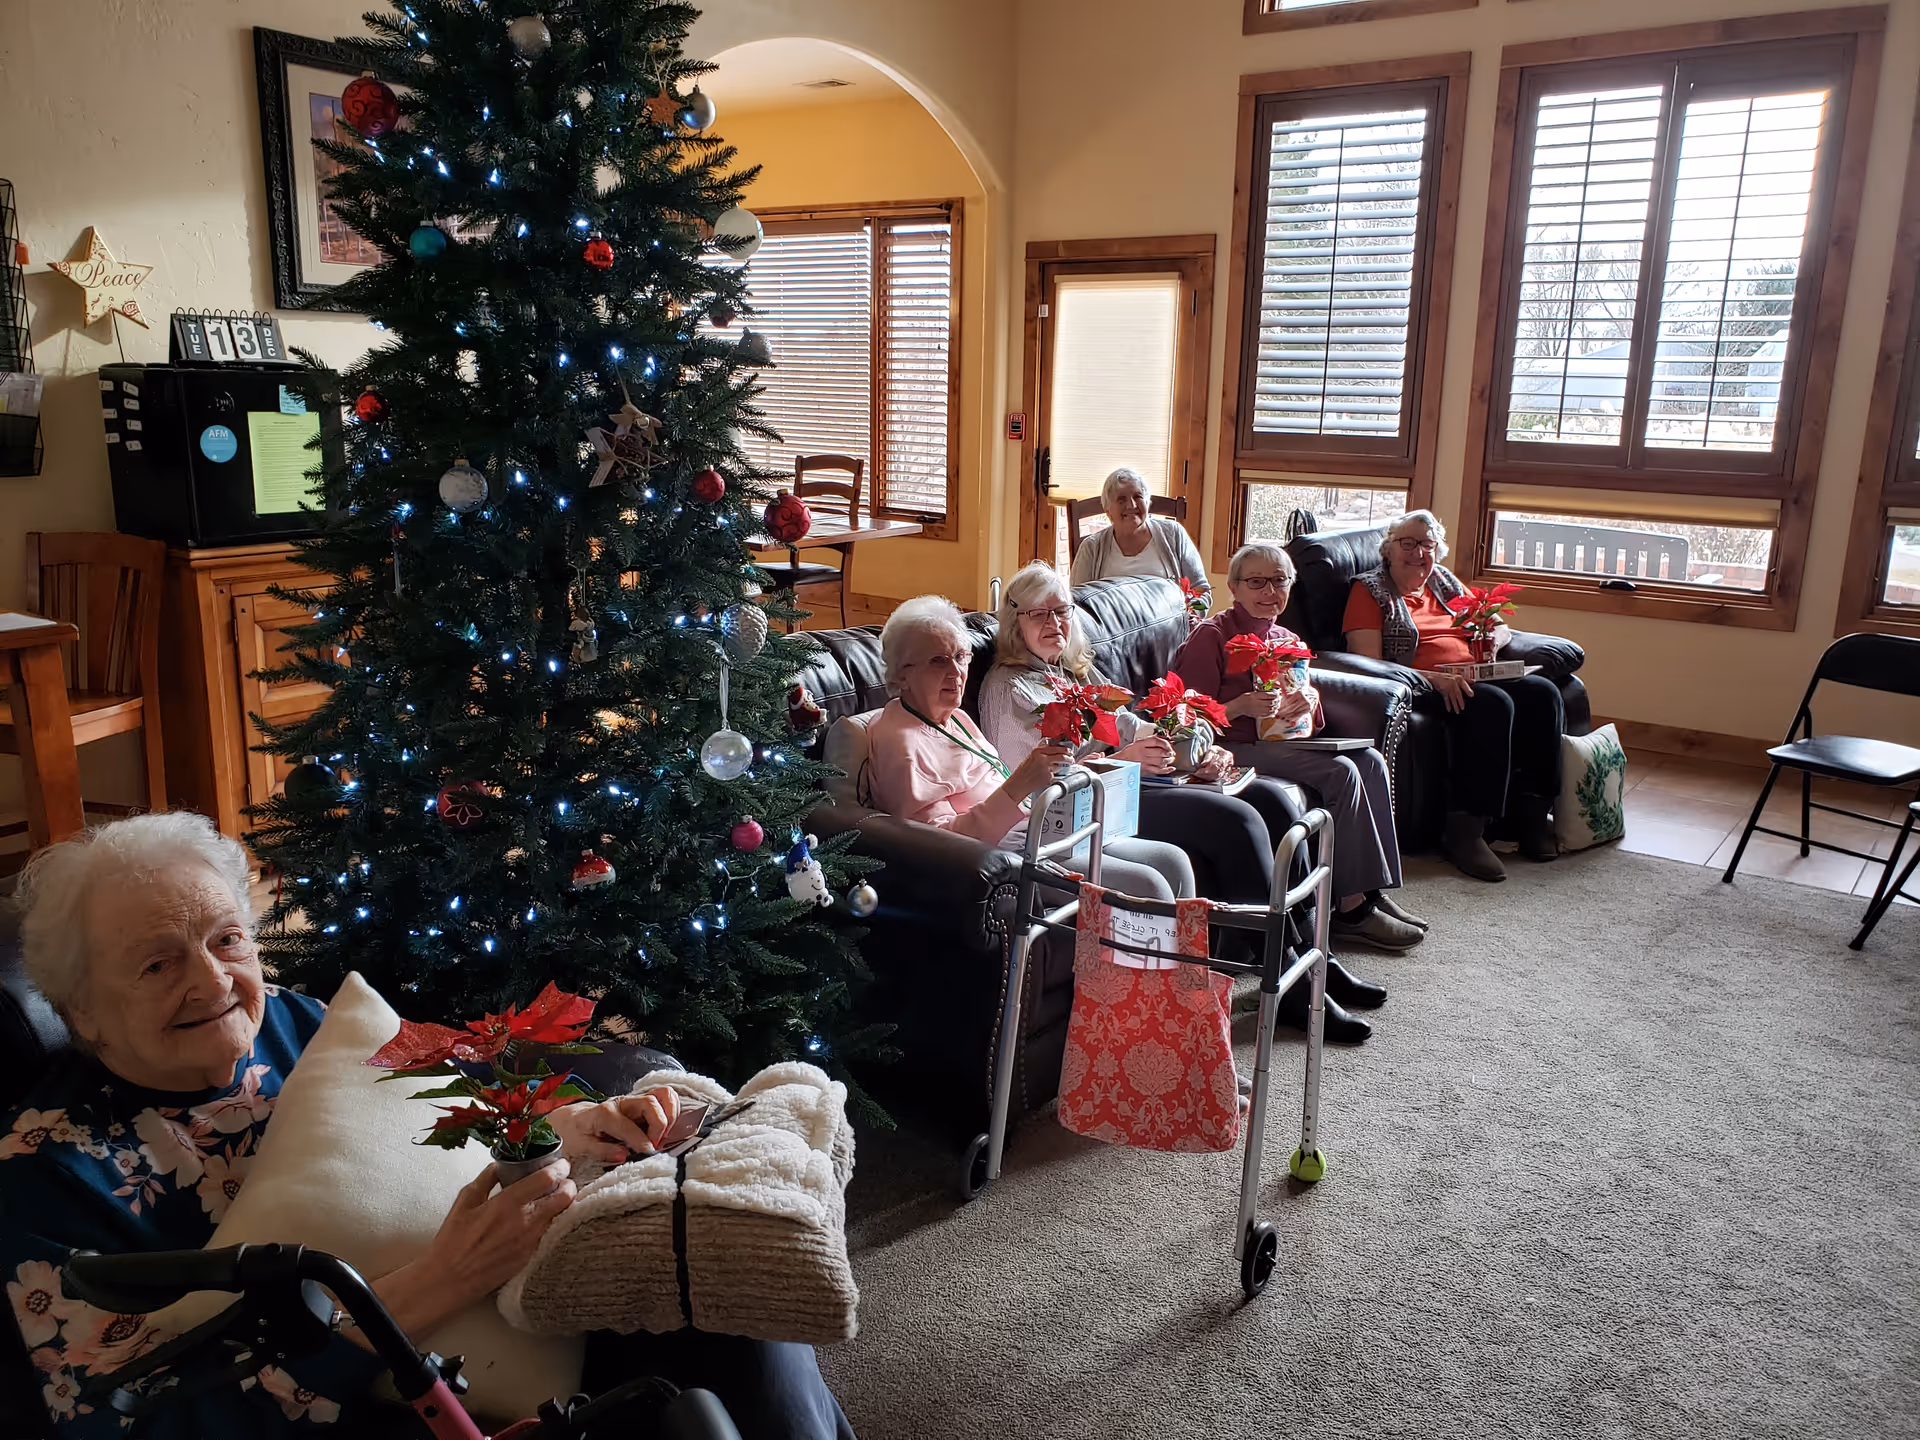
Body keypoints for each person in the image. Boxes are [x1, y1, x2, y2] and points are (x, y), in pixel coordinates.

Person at [0, 812, 853, 1440]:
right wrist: (444, 1278)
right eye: (158, 963)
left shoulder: (301, 1021)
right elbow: (126, 1425)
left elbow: (469, 1086)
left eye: (227, 939)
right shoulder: (47, 1176)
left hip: (518, 1301)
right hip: (380, 1409)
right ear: (81, 1011)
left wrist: (575, 1123)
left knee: (713, 1280)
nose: (214, 982)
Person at [976, 563, 1386, 1042]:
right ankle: (1289, 980)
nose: (1054, 623)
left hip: (1137, 782)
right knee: (1237, 821)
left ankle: (1318, 959)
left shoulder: (1072, 671)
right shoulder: (1006, 688)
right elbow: (1032, 783)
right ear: (1015, 621)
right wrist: (1120, 760)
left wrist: (1194, 747)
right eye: (1039, 614)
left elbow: (1134, 726)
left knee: (1275, 802)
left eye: (1062, 611)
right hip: (1096, 807)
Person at [1174, 544, 1429, 957]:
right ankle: (1351, 910)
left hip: (1282, 741)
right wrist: (1239, 706)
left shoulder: (1287, 639)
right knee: (1341, 772)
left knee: (1370, 762)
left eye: (1280, 581)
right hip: (1231, 746)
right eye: (1257, 582)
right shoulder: (1213, 636)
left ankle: (1371, 891)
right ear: (1234, 588)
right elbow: (1186, 715)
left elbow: (1311, 721)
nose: (1269, 591)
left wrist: (1308, 703)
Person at [864, 595, 1194, 902]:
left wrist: (1079, 770)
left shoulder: (957, 718)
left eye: (961, 656)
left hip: (1040, 830)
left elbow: (1006, 790)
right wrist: (1019, 785)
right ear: (902, 674)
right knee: (1149, 885)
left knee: (1174, 860)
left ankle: (1178, 952)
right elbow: (937, 845)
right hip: (1004, 859)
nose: (956, 671)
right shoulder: (900, 742)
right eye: (938, 660)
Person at [1341, 509, 1563, 881]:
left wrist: (1493, 640)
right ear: (1389, 549)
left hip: (1473, 674)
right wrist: (1434, 679)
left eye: (1426, 544)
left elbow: (1498, 625)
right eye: (1407, 543)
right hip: (1417, 684)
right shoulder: (1370, 590)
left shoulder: (1442, 580)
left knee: (1543, 694)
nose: (1417, 553)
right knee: (1493, 705)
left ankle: (1532, 815)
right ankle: (1465, 830)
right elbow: (1368, 663)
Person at [1068, 467, 1210, 604]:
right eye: (1121, 499)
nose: (1131, 505)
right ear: (1108, 510)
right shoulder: (1091, 548)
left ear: (1147, 502)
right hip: (1110, 622)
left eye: (1138, 496)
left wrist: (1189, 616)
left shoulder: (1174, 534)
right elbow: (1076, 603)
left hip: (1170, 621)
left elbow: (1202, 592)